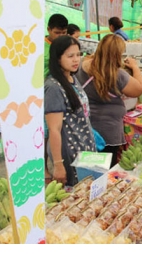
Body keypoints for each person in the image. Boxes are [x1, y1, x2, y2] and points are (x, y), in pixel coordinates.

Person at [76, 34, 142, 168]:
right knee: (105, 171)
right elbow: (139, 89)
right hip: (109, 131)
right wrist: (135, 67)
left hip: (86, 128)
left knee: (89, 167)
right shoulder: (117, 75)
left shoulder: (82, 66)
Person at [44, 35, 96, 187]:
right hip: (68, 153)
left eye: (78, 55)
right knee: (73, 197)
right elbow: (54, 129)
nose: (76, 60)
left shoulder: (72, 79)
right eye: (70, 56)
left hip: (84, 148)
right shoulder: (53, 87)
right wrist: (58, 164)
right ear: (58, 58)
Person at [44, 13, 68, 183]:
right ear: (49, 30)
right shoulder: (39, 48)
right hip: (43, 93)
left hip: (57, 93)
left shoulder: (63, 47)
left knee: (52, 131)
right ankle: (45, 167)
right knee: (46, 132)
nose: (60, 36)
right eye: (57, 33)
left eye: (64, 33)